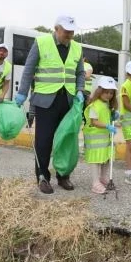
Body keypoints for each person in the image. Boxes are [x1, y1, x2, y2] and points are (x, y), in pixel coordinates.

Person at [15, 15, 86, 194]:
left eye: (72, 31)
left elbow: (80, 73)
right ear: (56, 29)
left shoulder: (77, 47)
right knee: (44, 140)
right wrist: (22, 92)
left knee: (67, 140)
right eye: (66, 31)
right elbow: (29, 69)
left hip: (68, 100)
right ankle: (42, 176)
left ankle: (63, 175)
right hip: (45, 100)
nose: (69, 35)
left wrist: (79, 90)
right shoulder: (41, 43)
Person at [83, 76, 119, 194]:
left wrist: (113, 116)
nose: (109, 95)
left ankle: (103, 178)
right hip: (95, 139)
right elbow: (94, 121)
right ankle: (95, 183)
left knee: (106, 159)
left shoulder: (107, 105)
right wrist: (108, 126)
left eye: (111, 93)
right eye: (106, 92)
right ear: (99, 91)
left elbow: (106, 117)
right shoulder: (94, 105)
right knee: (96, 160)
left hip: (105, 138)